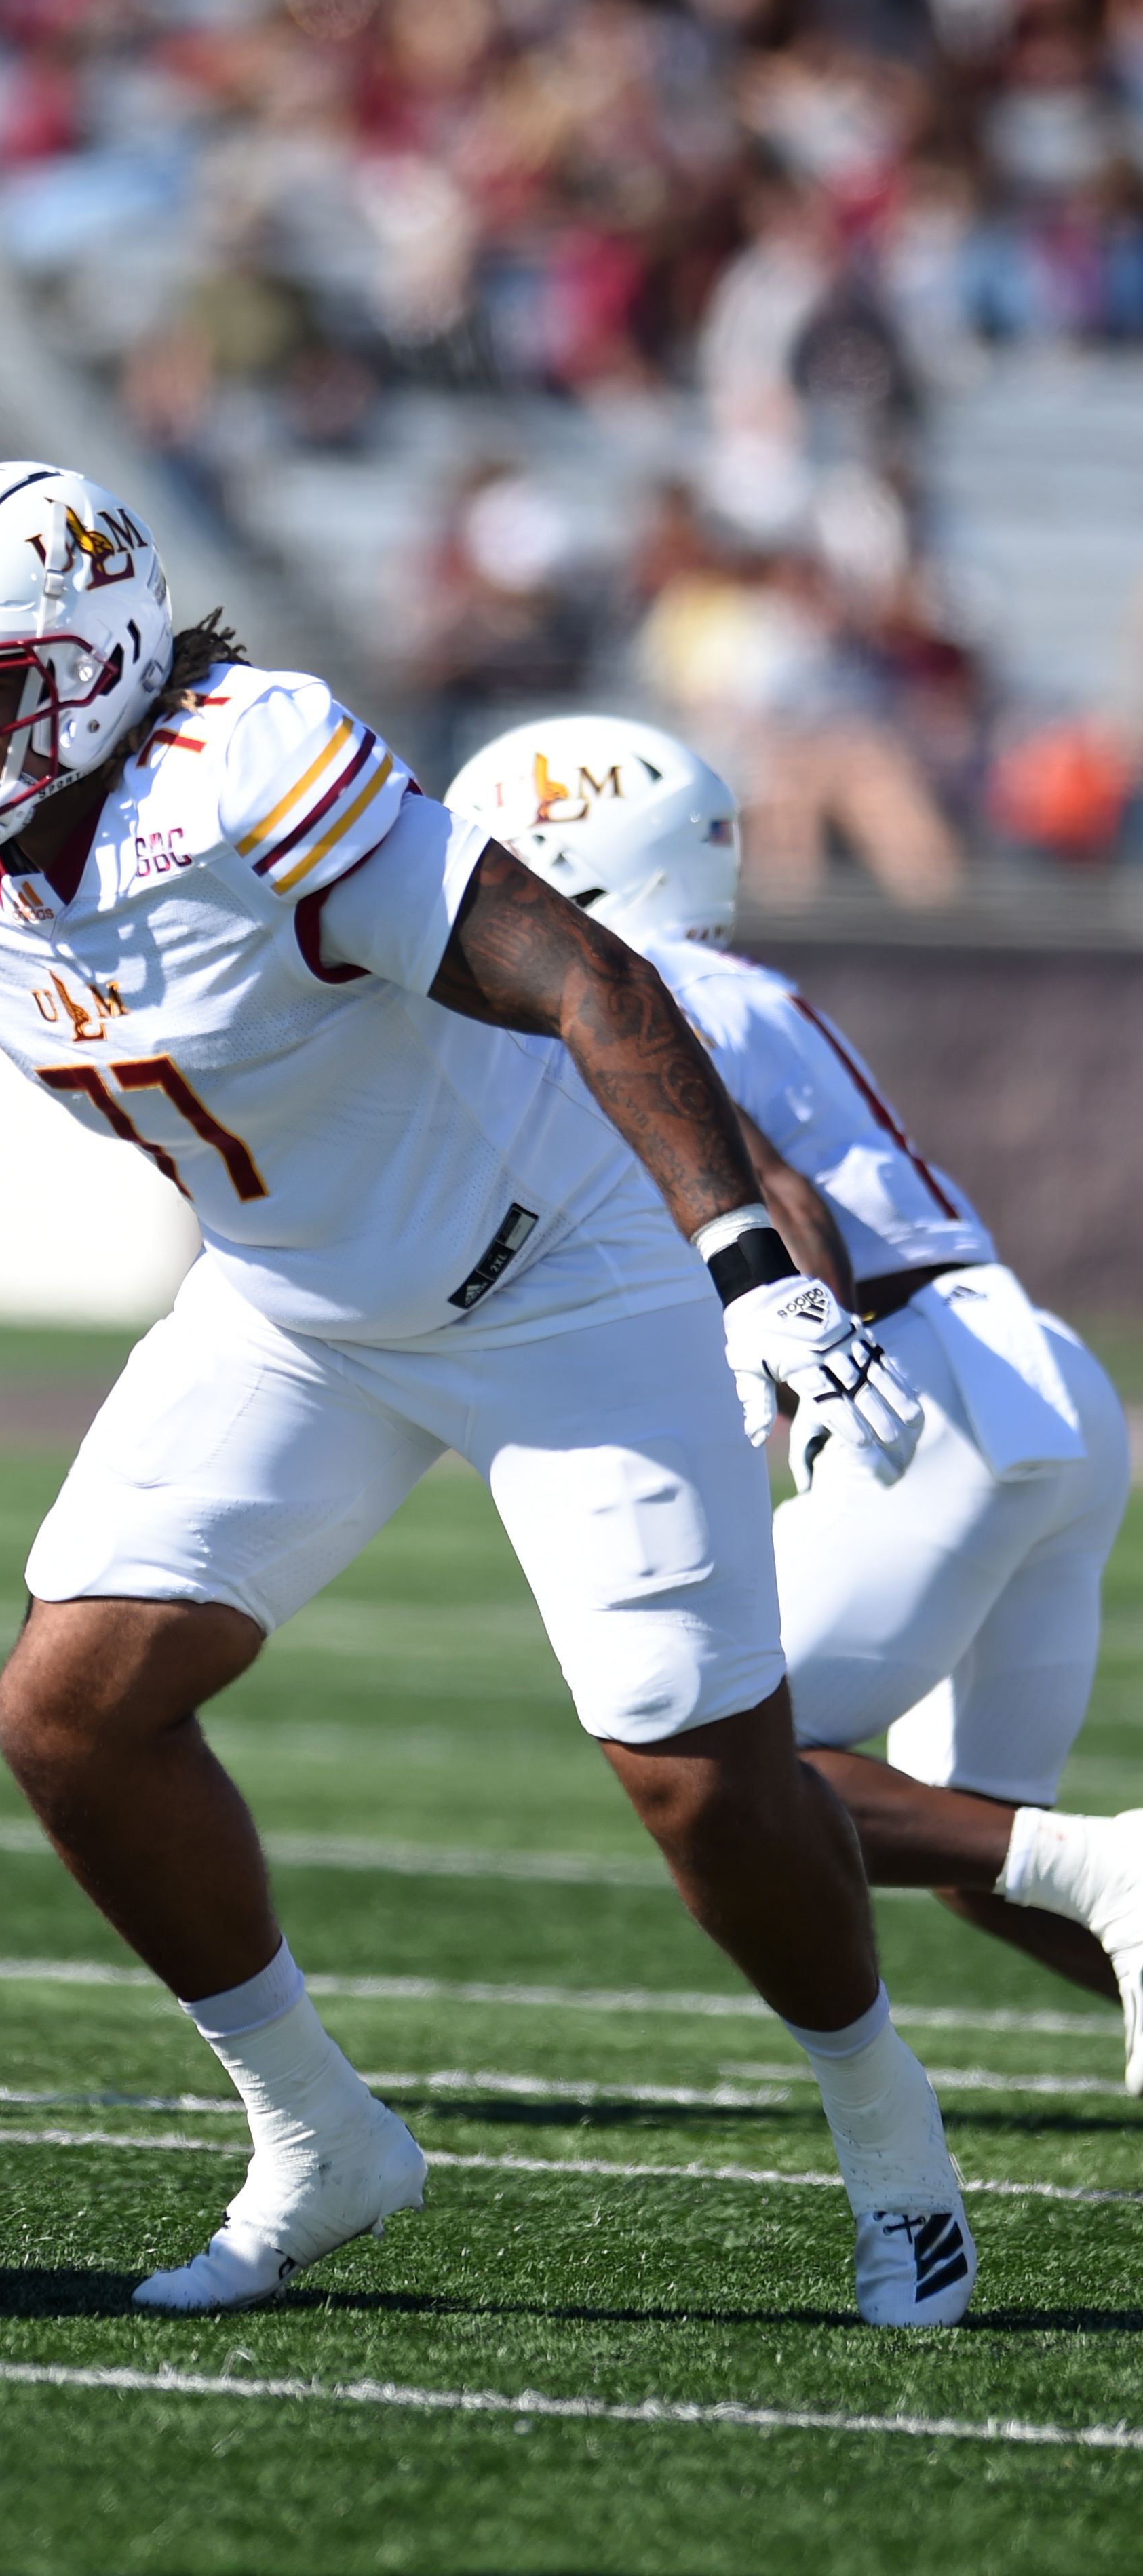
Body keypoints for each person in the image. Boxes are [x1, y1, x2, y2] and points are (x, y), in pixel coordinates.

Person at [0, 461, 977, 2333]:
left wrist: (745, 1265)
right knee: (71, 1716)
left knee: (696, 1779)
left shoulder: (247, 769)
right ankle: (316, 2135)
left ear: (103, 655)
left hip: (554, 1275)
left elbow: (593, 980)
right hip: (295, 1307)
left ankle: (893, 2145)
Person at [448, 712, 1138, 2058]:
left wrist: (812, 1370)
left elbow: (769, 1186)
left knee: (735, 1761)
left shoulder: (636, 982)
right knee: (980, 1841)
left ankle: (1124, 1862)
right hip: (1032, 1369)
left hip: (913, 1383)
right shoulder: (741, 979)